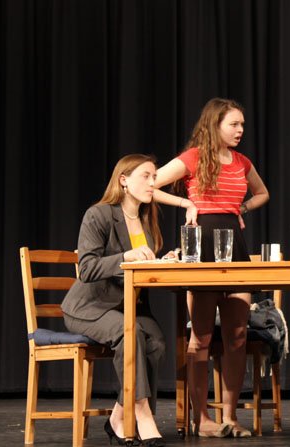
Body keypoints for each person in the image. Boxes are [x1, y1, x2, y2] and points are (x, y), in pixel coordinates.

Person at [153, 98, 270, 438]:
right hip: (202, 246)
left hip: (236, 248)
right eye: (234, 124)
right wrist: (186, 202)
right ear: (214, 124)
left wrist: (242, 209)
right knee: (200, 338)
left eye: (243, 125)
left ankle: (230, 416)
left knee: (236, 336)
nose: (240, 130)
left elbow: (263, 193)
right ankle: (203, 419)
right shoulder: (193, 158)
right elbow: (150, 186)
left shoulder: (242, 161)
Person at [61, 154, 171, 446]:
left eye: (154, 177)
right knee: (130, 333)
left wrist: (164, 262)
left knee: (156, 342)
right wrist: (125, 257)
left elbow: (140, 268)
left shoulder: (147, 219)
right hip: (89, 306)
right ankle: (142, 412)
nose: (152, 183)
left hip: (127, 304)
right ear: (124, 180)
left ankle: (118, 417)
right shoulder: (99, 214)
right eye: (145, 176)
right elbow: (86, 268)